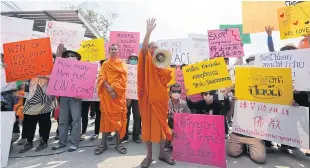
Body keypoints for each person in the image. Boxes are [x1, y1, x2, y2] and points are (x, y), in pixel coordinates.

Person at [138, 18, 175, 168]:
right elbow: (145, 48)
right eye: (151, 47)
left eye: (156, 48)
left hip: (160, 101)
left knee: (161, 127)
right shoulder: (146, 61)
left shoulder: (164, 68)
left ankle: (161, 153)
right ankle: (148, 156)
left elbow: (166, 81)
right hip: (147, 100)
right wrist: (148, 32)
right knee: (146, 128)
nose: (153, 49)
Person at [94, 44, 128, 155]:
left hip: (118, 96)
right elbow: (101, 77)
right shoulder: (105, 64)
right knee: (105, 119)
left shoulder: (122, 63)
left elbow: (124, 79)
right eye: (112, 49)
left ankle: (119, 143)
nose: (114, 51)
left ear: (118, 51)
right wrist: (109, 88)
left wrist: (114, 90)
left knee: (119, 119)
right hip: (107, 96)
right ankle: (103, 143)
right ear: (109, 51)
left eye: (115, 49)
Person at [51, 50, 83, 152]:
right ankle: (62, 142)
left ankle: (74, 143)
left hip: (75, 98)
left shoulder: (82, 69)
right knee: (62, 120)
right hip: (64, 97)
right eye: (67, 56)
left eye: (72, 56)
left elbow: (86, 83)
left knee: (76, 121)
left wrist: (81, 94)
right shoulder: (60, 68)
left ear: (77, 58)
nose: (69, 57)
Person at [20, 74, 57, 153]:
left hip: (46, 96)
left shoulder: (49, 64)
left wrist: (47, 76)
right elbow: (22, 77)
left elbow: (56, 76)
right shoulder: (29, 64)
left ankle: (44, 140)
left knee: (44, 120)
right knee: (29, 120)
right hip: (31, 95)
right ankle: (29, 141)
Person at [165, 83, 191, 151]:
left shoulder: (184, 103)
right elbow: (163, 118)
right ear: (170, 93)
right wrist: (168, 129)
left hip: (180, 124)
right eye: (174, 91)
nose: (176, 93)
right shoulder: (166, 103)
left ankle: (180, 142)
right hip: (169, 124)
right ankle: (167, 144)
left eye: (178, 92)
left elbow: (189, 117)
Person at [123, 53, 142, 143]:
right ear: (128, 59)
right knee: (125, 116)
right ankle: (124, 135)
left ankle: (136, 136)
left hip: (137, 97)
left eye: (135, 59)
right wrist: (127, 96)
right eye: (132, 58)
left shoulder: (141, 69)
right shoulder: (124, 68)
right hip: (127, 96)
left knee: (137, 116)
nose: (133, 60)